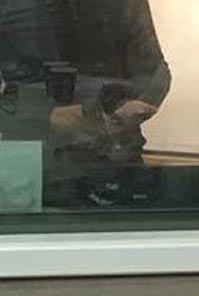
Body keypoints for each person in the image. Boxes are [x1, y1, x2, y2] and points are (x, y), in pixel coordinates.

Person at [0, 0, 171, 204]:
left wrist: (120, 110)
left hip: (113, 162)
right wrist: (47, 117)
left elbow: (154, 73)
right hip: (37, 166)